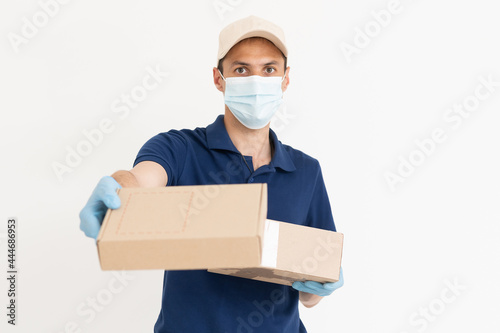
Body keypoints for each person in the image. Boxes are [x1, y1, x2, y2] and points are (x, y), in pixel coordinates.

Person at [79, 15, 344, 332]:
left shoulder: (306, 171)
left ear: (285, 79)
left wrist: (320, 282)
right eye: (242, 69)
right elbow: (140, 181)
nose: (256, 81)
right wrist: (118, 187)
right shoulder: (179, 148)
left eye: (269, 69)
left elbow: (309, 294)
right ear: (219, 79)